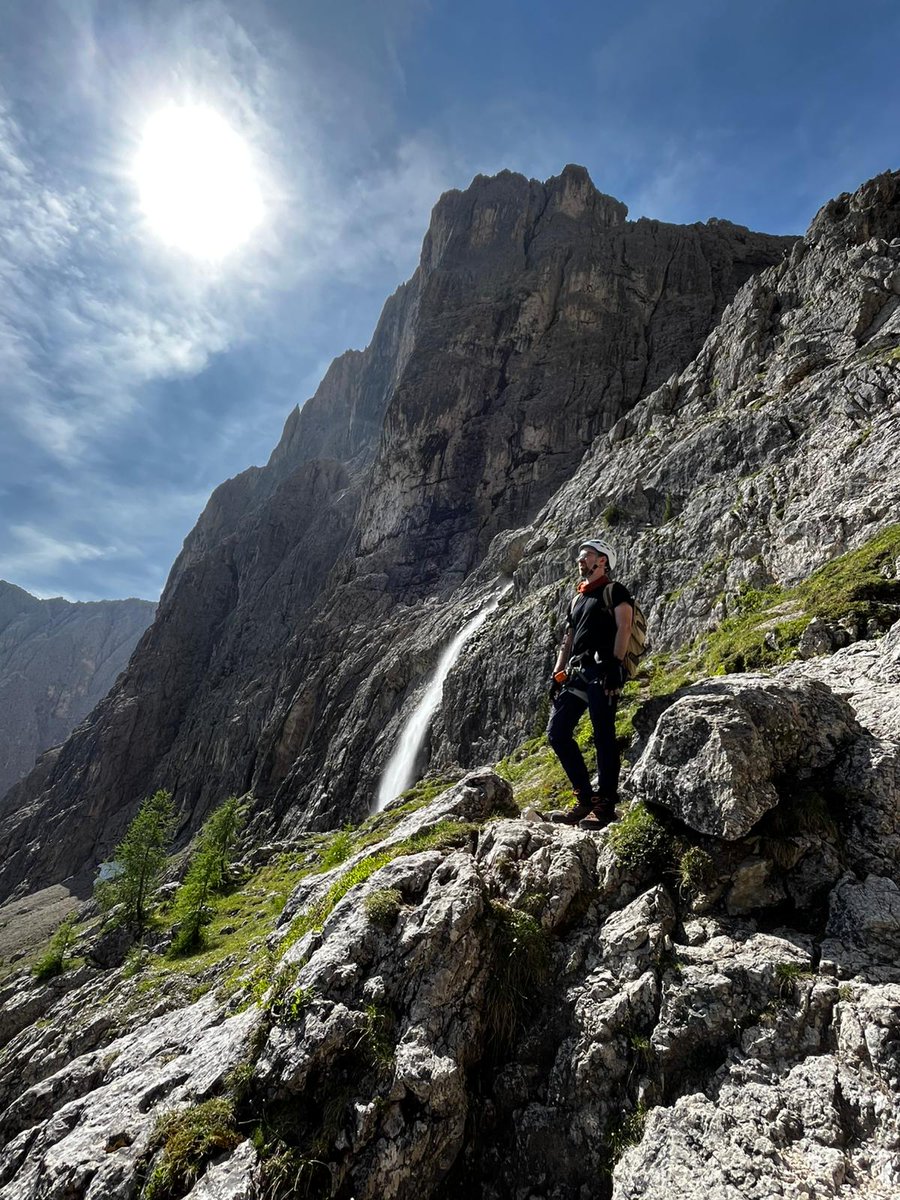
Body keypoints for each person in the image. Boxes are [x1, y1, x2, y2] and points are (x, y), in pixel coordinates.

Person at [546, 538, 633, 829]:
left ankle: (605, 804)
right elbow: (567, 639)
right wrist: (557, 674)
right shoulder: (577, 599)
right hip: (578, 672)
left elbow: (624, 626)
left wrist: (616, 664)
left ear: (602, 560)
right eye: (580, 556)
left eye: (587, 555)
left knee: (603, 734)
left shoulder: (614, 591)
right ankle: (585, 799)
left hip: (604, 670)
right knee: (557, 732)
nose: (580, 559)